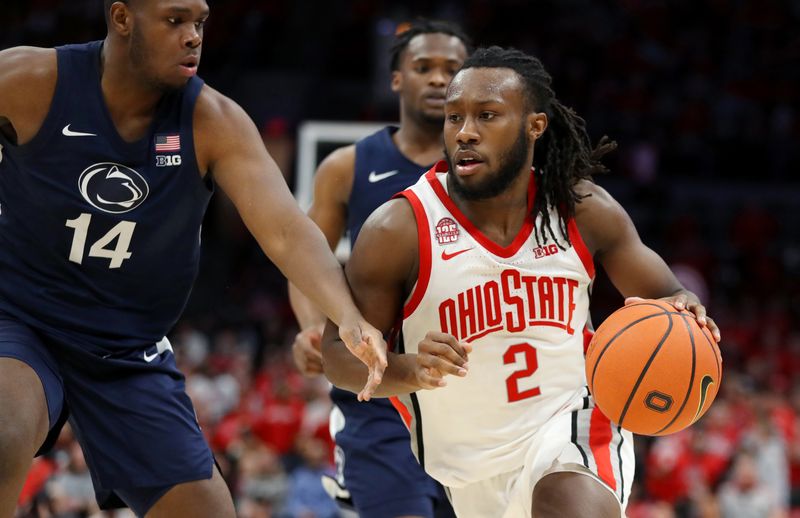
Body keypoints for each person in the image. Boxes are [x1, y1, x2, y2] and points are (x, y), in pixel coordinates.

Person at [0, 0, 386, 516]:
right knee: (3, 430)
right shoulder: (30, 79)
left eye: (200, 23)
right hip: (22, 321)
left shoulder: (214, 120)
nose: (193, 37)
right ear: (121, 19)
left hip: (126, 348)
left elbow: (287, 231)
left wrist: (350, 316)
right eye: (175, 20)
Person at [321, 46, 722, 518]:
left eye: (487, 115)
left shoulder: (581, 208)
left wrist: (686, 304)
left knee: (566, 500)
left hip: (572, 426)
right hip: (467, 470)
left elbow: (667, 294)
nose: (465, 133)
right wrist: (410, 370)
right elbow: (337, 356)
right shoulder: (398, 229)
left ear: (535, 126)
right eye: (454, 118)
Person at [288, 19, 470, 518]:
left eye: (452, 69)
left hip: (470, 391)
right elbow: (308, 263)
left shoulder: (489, 170)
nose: (438, 79)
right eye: (423, 67)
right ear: (397, 80)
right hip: (378, 395)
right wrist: (310, 327)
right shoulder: (347, 166)